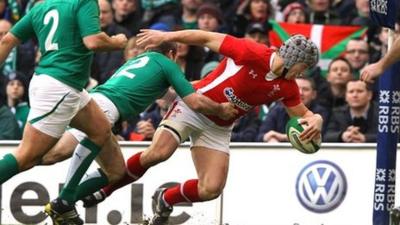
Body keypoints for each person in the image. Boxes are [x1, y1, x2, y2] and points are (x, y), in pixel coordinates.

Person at [82, 29, 323, 225]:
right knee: (158, 153)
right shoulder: (252, 52)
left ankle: (165, 199)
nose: (304, 73)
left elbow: (302, 115)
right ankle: (106, 189)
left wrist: (316, 119)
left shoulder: (287, 86)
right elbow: (206, 37)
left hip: (220, 126)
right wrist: (166, 37)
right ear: (294, 61)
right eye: (305, 67)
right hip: (194, 106)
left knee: (211, 189)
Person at [0, 0, 128, 224]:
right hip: (61, 87)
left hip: (62, 85)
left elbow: (8, 39)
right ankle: (65, 202)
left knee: (101, 131)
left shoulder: (42, 6)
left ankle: (65, 202)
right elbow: (94, 42)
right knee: (27, 157)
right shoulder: (84, 2)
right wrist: (117, 42)